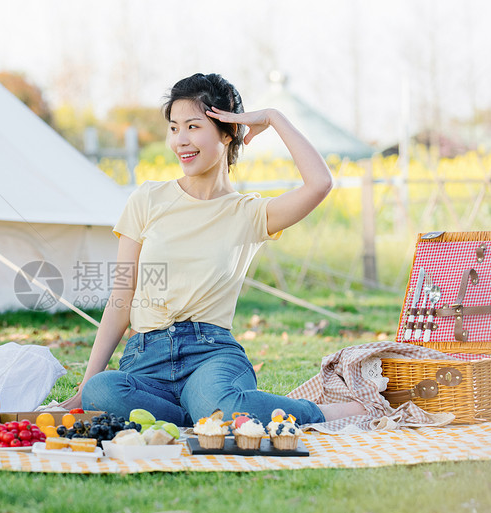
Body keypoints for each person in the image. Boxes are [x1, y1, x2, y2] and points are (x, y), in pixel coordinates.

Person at [61, 73, 365, 426]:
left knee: (216, 401)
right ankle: (207, 421)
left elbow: (320, 183)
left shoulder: (249, 213)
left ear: (227, 131)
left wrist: (273, 118)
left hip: (211, 355)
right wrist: (84, 389)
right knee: (103, 391)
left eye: (193, 126)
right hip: (146, 359)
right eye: (174, 128)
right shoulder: (147, 199)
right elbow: (122, 296)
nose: (180, 141)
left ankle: (317, 413)